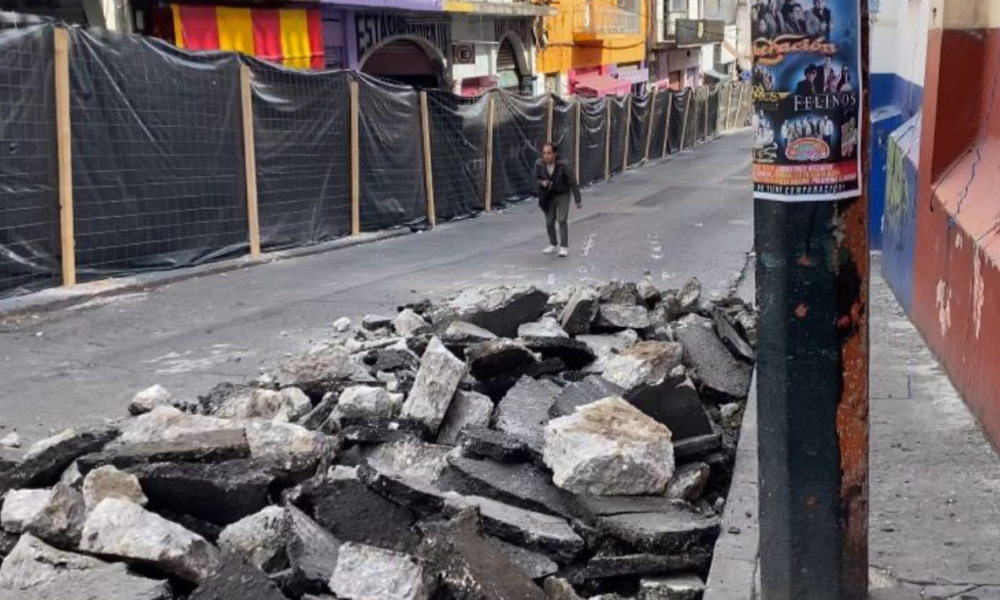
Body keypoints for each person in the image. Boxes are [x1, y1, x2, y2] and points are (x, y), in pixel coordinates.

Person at [534, 142, 582, 257]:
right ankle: (553, 244)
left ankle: (564, 247)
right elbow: (535, 178)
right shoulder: (539, 164)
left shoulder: (563, 164)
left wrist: (577, 199)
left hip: (562, 194)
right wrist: (542, 182)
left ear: (555, 154)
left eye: (549, 153)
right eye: (544, 153)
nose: (546, 156)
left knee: (561, 219)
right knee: (549, 222)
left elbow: (572, 181)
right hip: (548, 195)